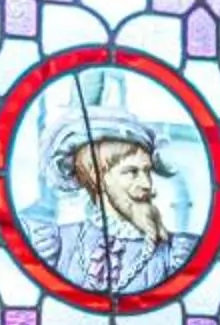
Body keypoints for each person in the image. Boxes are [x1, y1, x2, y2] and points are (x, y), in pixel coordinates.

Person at [22, 113, 196, 301]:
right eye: (132, 172)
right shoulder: (56, 246)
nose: (147, 184)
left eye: (147, 171)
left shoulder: (176, 253)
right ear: (96, 176)